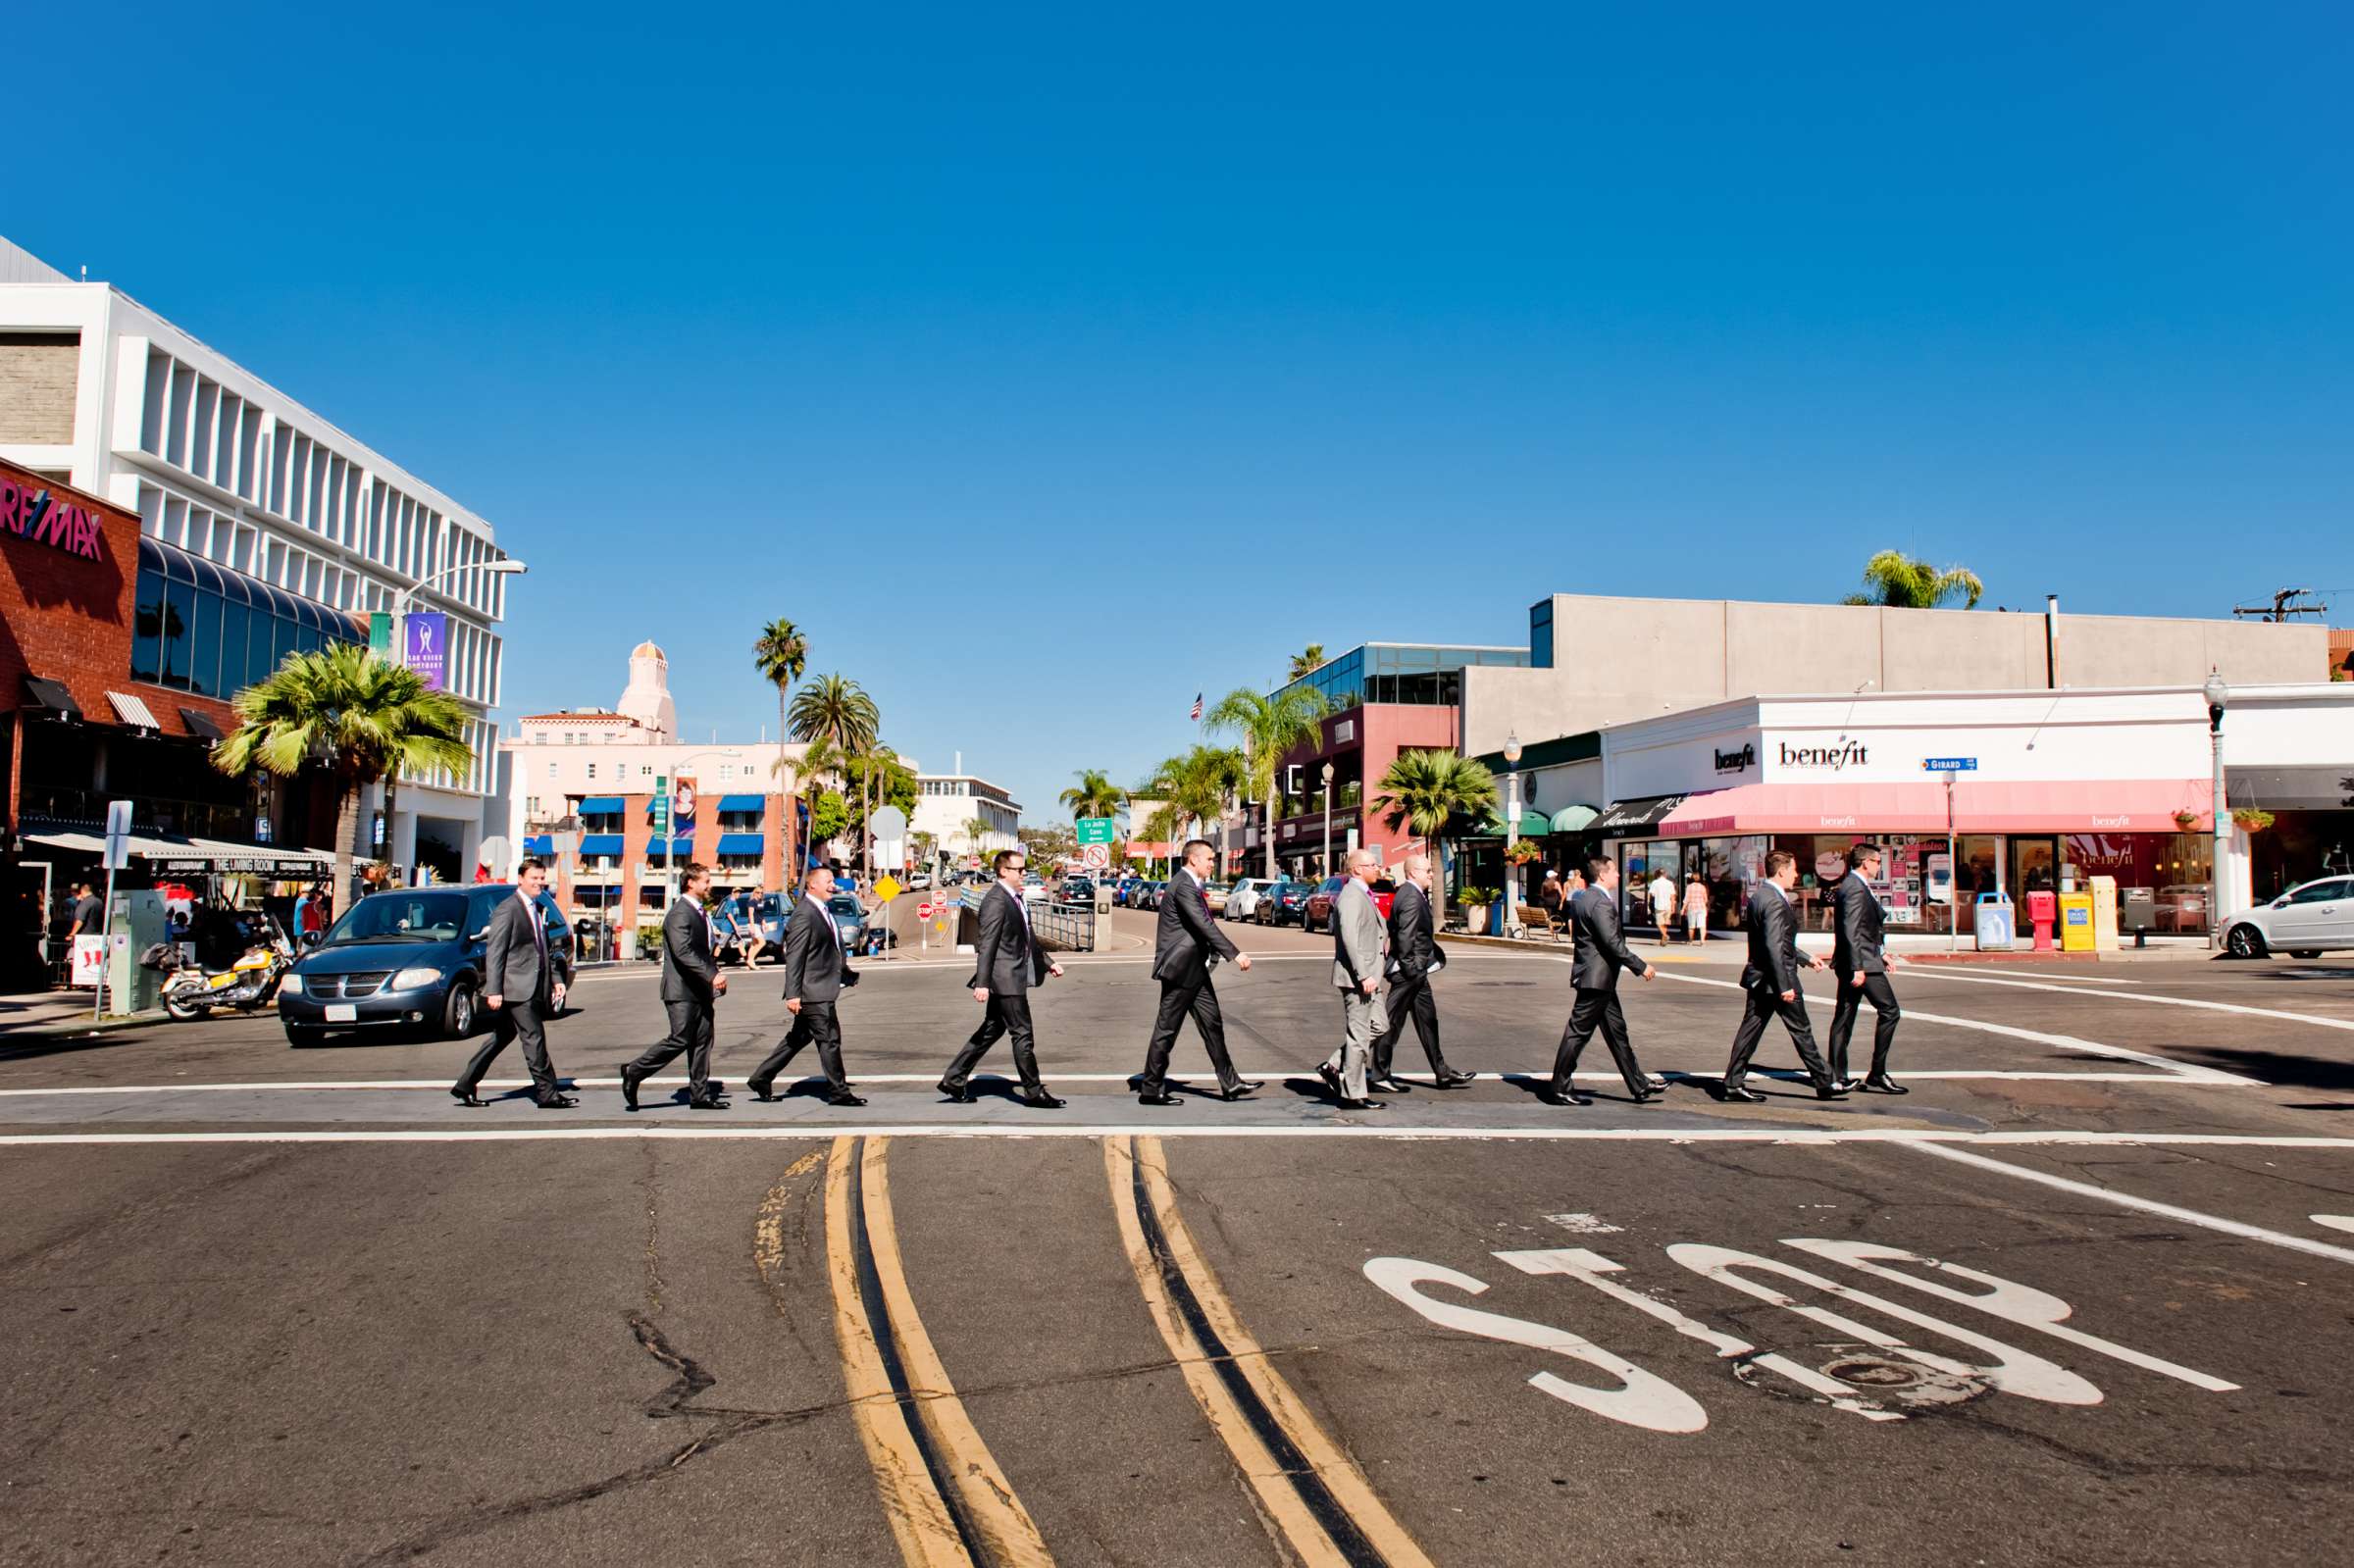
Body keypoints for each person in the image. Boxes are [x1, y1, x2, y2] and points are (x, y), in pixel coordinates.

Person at [938, 848, 1067, 1109]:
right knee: (1022, 1034)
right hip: (1005, 978)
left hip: (1011, 976)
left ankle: (954, 1078)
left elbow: (1028, 938)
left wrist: (1049, 962)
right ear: (1003, 871)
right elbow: (987, 944)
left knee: (991, 1029)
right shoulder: (996, 900)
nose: (1023, 874)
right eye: (1019, 870)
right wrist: (983, 983)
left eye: (1024, 870)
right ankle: (1033, 1092)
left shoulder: (1015, 898)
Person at [1137, 838, 1256, 1105]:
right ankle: (1151, 1088)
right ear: (1194, 859)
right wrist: (1234, 953)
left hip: (1193, 969)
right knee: (1167, 1029)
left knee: (1212, 1024)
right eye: (1210, 859)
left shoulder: (1189, 884)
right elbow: (1203, 924)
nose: (1213, 864)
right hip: (1181, 969)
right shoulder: (1183, 886)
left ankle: (1231, 1083)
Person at [1719, 849, 1845, 1103]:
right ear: (1782, 870)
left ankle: (1732, 1083)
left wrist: (1805, 958)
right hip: (1777, 979)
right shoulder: (1775, 900)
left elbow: (1778, 942)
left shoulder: (1760, 896)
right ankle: (1825, 1081)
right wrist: (1784, 985)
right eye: (1794, 870)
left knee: (1750, 1031)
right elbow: (1774, 946)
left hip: (1761, 978)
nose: (1797, 874)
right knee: (1801, 1030)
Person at [1542, 856, 1664, 1105]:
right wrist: (1640, 966)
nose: (1619, 875)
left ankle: (1639, 1084)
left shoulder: (1583, 898)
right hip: (1597, 979)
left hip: (1598, 979)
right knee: (1577, 1033)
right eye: (1615, 871)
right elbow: (1612, 943)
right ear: (1602, 875)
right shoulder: (1600, 903)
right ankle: (1559, 1087)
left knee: (1617, 1033)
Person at [452, 859, 573, 1108]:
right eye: (534, 878)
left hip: (533, 985)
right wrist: (494, 989)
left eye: (542, 878)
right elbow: (496, 952)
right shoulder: (508, 909)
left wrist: (556, 980)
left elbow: (544, 950)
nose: (539, 882)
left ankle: (465, 1084)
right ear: (520, 879)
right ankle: (547, 1094)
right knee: (534, 1038)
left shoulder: (536, 908)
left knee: (501, 1036)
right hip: (517, 987)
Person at [748, 864, 866, 1106]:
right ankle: (839, 1092)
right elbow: (795, 957)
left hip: (820, 987)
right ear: (812, 885)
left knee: (798, 1038)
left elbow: (828, 949)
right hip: (812, 991)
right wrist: (793, 994)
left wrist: (846, 974)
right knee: (830, 1039)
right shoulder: (804, 914)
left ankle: (762, 1077)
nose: (833, 885)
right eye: (828, 881)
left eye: (833, 881)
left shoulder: (822, 910)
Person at [621, 862, 729, 1111]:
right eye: (706, 881)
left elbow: (701, 950)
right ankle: (634, 1071)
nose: (709, 885)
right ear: (690, 883)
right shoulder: (680, 913)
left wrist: (712, 976)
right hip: (681, 990)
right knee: (680, 1038)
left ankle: (700, 1096)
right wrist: (711, 974)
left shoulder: (700, 911)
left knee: (703, 1040)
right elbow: (682, 951)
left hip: (699, 989)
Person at [1371, 854, 1473, 1090]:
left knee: (1428, 1021)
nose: (1432, 874)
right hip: (1410, 973)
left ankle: (1443, 1072)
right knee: (1390, 1023)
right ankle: (1378, 1074)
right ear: (1413, 872)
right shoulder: (1410, 897)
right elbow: (1405, 936)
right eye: (1427, 870)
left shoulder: (1410, 894)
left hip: (1417, 972)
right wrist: (1412, 968)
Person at [1826, 843, 1906, 1094]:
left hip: (1863, 959)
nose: (1879, 866)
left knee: (1844, 1019)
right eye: (1877, 862)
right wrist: (1857, 967)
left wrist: (1882, 953)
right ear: (1866, 863)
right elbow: (1850, 930)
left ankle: (1837, 1077)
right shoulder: (1854, 887)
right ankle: (1877, 1073)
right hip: (1861, 964)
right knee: (1890, 1011)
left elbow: (1864, 928)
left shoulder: (1856, 885)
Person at [1316, 849, 1390, 1110]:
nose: (1377, 868)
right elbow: (1349, 938)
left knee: (1379, 1025)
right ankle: (1354, 1094)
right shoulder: (1350, 896)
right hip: (1359, 978)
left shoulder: (1363, 894)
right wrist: (1364, 975)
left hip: (1372, 975)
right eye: (1372, 865)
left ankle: (1334, 1064)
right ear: (1357, 869)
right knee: (1358, 1036)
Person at [1648, 866, 1678, 942]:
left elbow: (1651, 893)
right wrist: (1673, 907)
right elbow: (1672, 896)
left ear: (1658, 874)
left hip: (1659, 905)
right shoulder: (1670, 883)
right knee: (1664, 923)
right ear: (1665, 874)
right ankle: (1664, 939)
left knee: (1659, 923)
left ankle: (1665, 935)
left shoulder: (1655, 882)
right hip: (1668, 905)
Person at [1684, 871, 1710, 943]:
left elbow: (1686, 899)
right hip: (1701, 908)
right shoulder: (1702, 887)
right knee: (1702, 925)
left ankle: (1691, 940)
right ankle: (1702, 940)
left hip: (1692, 908)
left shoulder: (1689, 887)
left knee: (1691, 926)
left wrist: (1683, 909)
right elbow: (1706, 899)